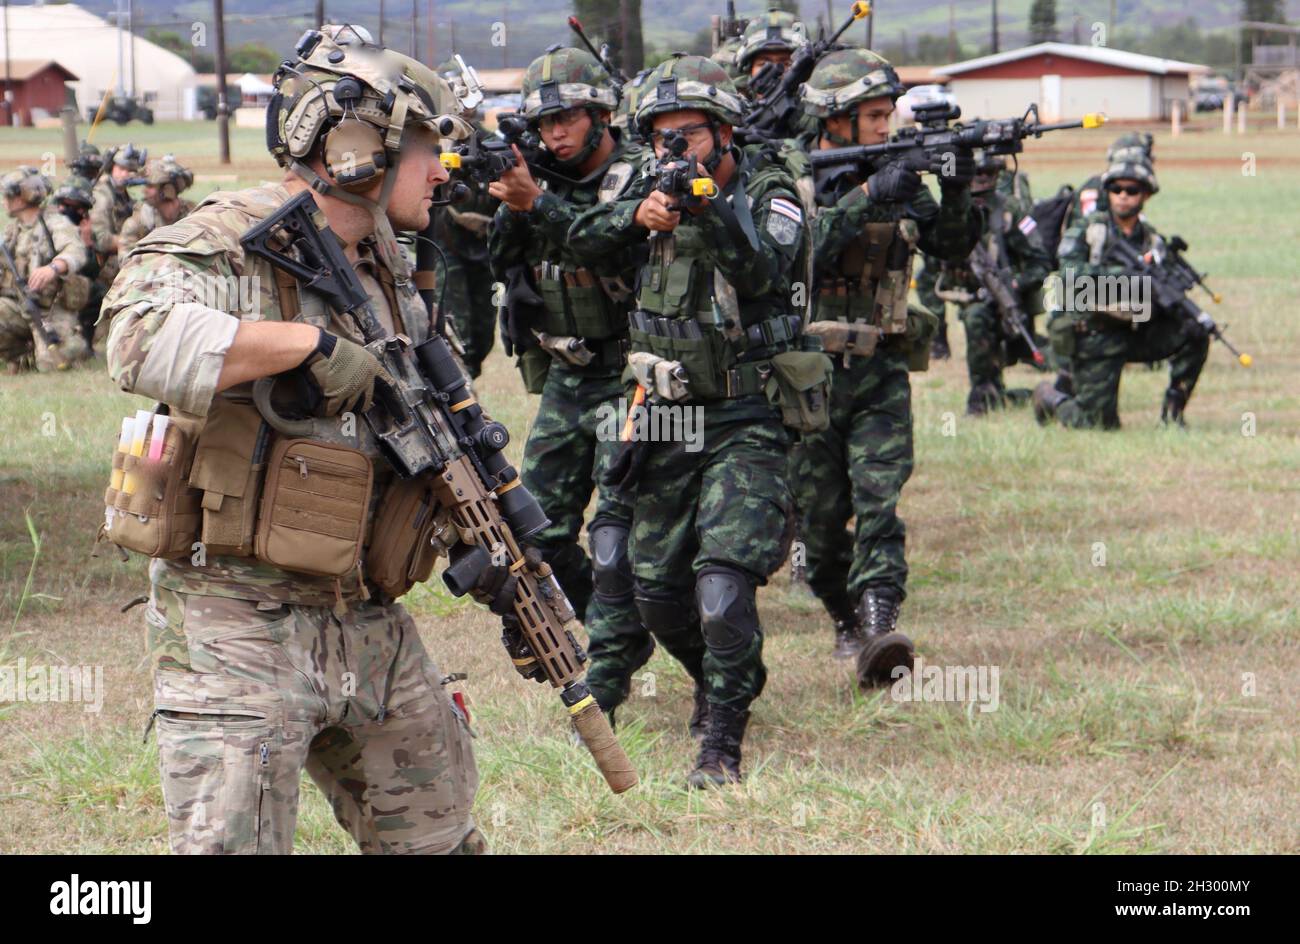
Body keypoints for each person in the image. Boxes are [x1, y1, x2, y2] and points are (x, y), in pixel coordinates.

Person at [99, 24, 492, 855]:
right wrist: (305, 349)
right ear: (356, 149)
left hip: (364, 617)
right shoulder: (226, 238)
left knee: (441, 841)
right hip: (234, 619)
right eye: (427, 146)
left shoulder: (389, 262)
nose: (442, 167)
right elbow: (133, 337)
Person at [570, 54, 811, 787]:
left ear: (725, 131)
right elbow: (578, 240)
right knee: (651, 587)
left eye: (691, 136)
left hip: (746, 411)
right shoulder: (646, 185)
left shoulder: (772, 190)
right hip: (664, 411)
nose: (677, 151)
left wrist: (711, 212)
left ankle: (722, 741)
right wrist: (633, 215)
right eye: (664, 138)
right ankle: (715, 677)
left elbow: (770, 269)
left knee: (722, 583)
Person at [788, 48, 979, 669]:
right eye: (872, 114)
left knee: (878, 498)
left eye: (888, 112)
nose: (885, 124)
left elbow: (952, 246)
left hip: (880, 371)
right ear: (835, 119)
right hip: (807, 376)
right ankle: (845, 617)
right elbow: (796, 253)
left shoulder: (902, 175)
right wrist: (868, 193)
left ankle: (879, 624)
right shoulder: (791, 173)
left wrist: (955, 186)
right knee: (818, 526)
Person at [486, 46, 654, 725]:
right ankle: (615, 629)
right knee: (540, 529)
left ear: (601, 113)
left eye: (569, 118)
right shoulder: (541, 175)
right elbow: (505, 260)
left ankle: (608, 670)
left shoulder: (639, 173)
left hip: (632, 371)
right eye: (545, 121)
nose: (556, 132)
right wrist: (511, 199)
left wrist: (540, 201)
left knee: (617, 530)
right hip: (569, 372)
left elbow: (612, 245)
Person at [1035, 155, 1209, 429]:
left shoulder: (1150, 238)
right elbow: (1069, 278)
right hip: (1093, 334)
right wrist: (1125, 277)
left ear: (1146, 195)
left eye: (1132, 190)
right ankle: (1050, 398)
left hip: (1136, 331)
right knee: (1097, 425)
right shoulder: (1087, 230)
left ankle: (1173, 414)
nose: (1123, 196)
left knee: (1195, 331)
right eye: (1116, 190)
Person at [956, 152, 1053, 415]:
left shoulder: (1011, 211)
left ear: (998, 175)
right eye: (975, 173)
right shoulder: (953, 211)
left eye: (987, 173)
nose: (981, 180)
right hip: (972, 298)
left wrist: (1014, 285)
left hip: (1011, 301)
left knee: (1046, 354)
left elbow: (1041, 263)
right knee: (976, 316)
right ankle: (981, 394)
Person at [0, 167, 90, 372]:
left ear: (22, 198)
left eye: (7, 196)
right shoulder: (13, 230)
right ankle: (19, 355)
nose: (3, 201)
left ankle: (51, 348)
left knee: (57, 362)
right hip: (19, 306)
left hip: (51, 309)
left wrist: (53, 268)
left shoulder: (54, 223)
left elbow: (76, 251)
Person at [117, 157, 197, 255]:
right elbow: (126, 261)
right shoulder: (138, 223)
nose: (144, 190)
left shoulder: (194, 215)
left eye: (150, 186)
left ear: (168, 189)